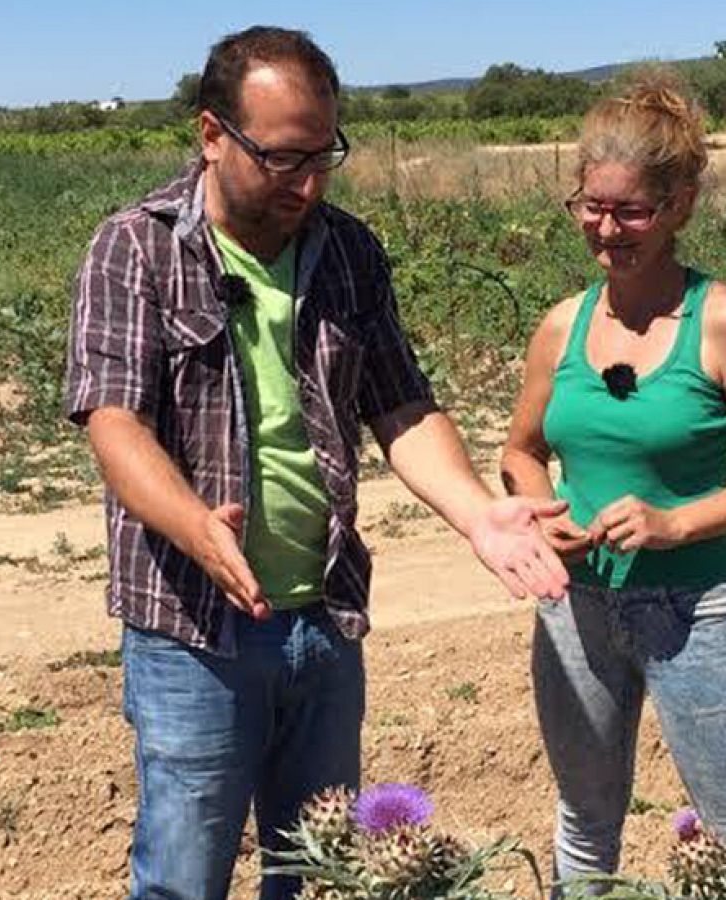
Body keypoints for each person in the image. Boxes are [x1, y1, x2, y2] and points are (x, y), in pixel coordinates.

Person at [64, 25, 569, 900]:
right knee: (185, 878)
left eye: (324, 155)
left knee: (317, 876)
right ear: (212, 135)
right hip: (194, 631)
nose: (308, 182)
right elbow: (114, 424)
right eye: (284, 158)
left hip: (324, 622)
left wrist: (480, 513)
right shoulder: (135, 248)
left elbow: (401, 405)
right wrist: (194, 526)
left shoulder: (347, 251)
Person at [499, 77, 726, 897]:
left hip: (696, 613)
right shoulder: (560, 324)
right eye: (591, 207)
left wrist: (676, 524)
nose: (607, 231)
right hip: (577, 610)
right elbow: (521, 451)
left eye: (632, 211)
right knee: (583, 821)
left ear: (681, 203)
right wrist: (545, 517)